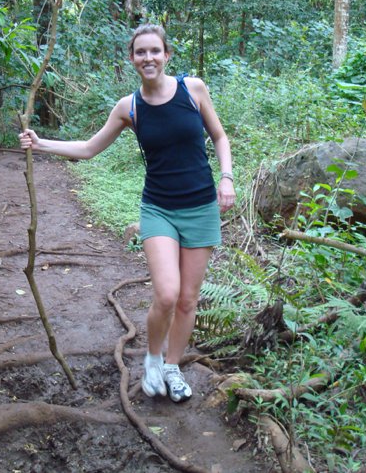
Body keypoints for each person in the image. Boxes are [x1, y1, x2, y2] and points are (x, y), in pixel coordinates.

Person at [19, 24, 236, 403]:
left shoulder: (193, 89)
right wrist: (41, 144)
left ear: (167, 54)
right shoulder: (129, 107)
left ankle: (173, 366)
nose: (148, 58)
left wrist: (227, 178)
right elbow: (89, 148)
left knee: (188, 299)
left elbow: (219, 135)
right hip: (159, 209)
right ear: (132, 58)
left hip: (201, 207)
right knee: (166, 294)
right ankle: (153, 360)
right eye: (140, 52)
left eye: (155, 51)